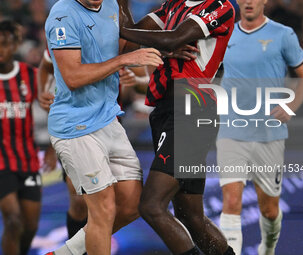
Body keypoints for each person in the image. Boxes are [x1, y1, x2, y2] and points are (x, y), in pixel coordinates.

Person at [43, 0, 163, 254]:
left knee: (131, 206)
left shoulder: (111, 5)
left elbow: (124, 47)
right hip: (76, 126)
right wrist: (123, 60)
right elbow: (73, 77)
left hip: (109, 119)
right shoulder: (63, 14)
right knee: (102, 209)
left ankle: (63, 253)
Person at [118, 0, 236, 254]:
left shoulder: (220, 6)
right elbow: (130, 41)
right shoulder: (173, 5)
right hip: (165, 110)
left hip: (193, 110)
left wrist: (158, 42)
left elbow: (173, 38)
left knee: (151, 206)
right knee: (190, 217)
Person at [215, 0, 303, 255]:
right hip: (231, 131)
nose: (248, 2)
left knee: (269, 209)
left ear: (264, 1)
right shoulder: (223, 35)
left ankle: (267, 249)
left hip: (269, 135)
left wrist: (290, 106)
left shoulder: (283, 35)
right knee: (231, 200)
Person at [0, 20, 55, 255]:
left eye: (3, 44)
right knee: (13, 220)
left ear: (14, 45)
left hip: (28, 159)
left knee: (30, 226)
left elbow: (54, 109)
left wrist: (55, 148)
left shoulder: (30, 75)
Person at [37, 49, 88, 240]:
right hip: (72, 128)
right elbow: (45, 66)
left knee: (117, 203)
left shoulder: (114, 31)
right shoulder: (62, 33)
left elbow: (142, 75)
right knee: (80, 200)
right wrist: (42, 92)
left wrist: (138, 81)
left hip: (110, 124)